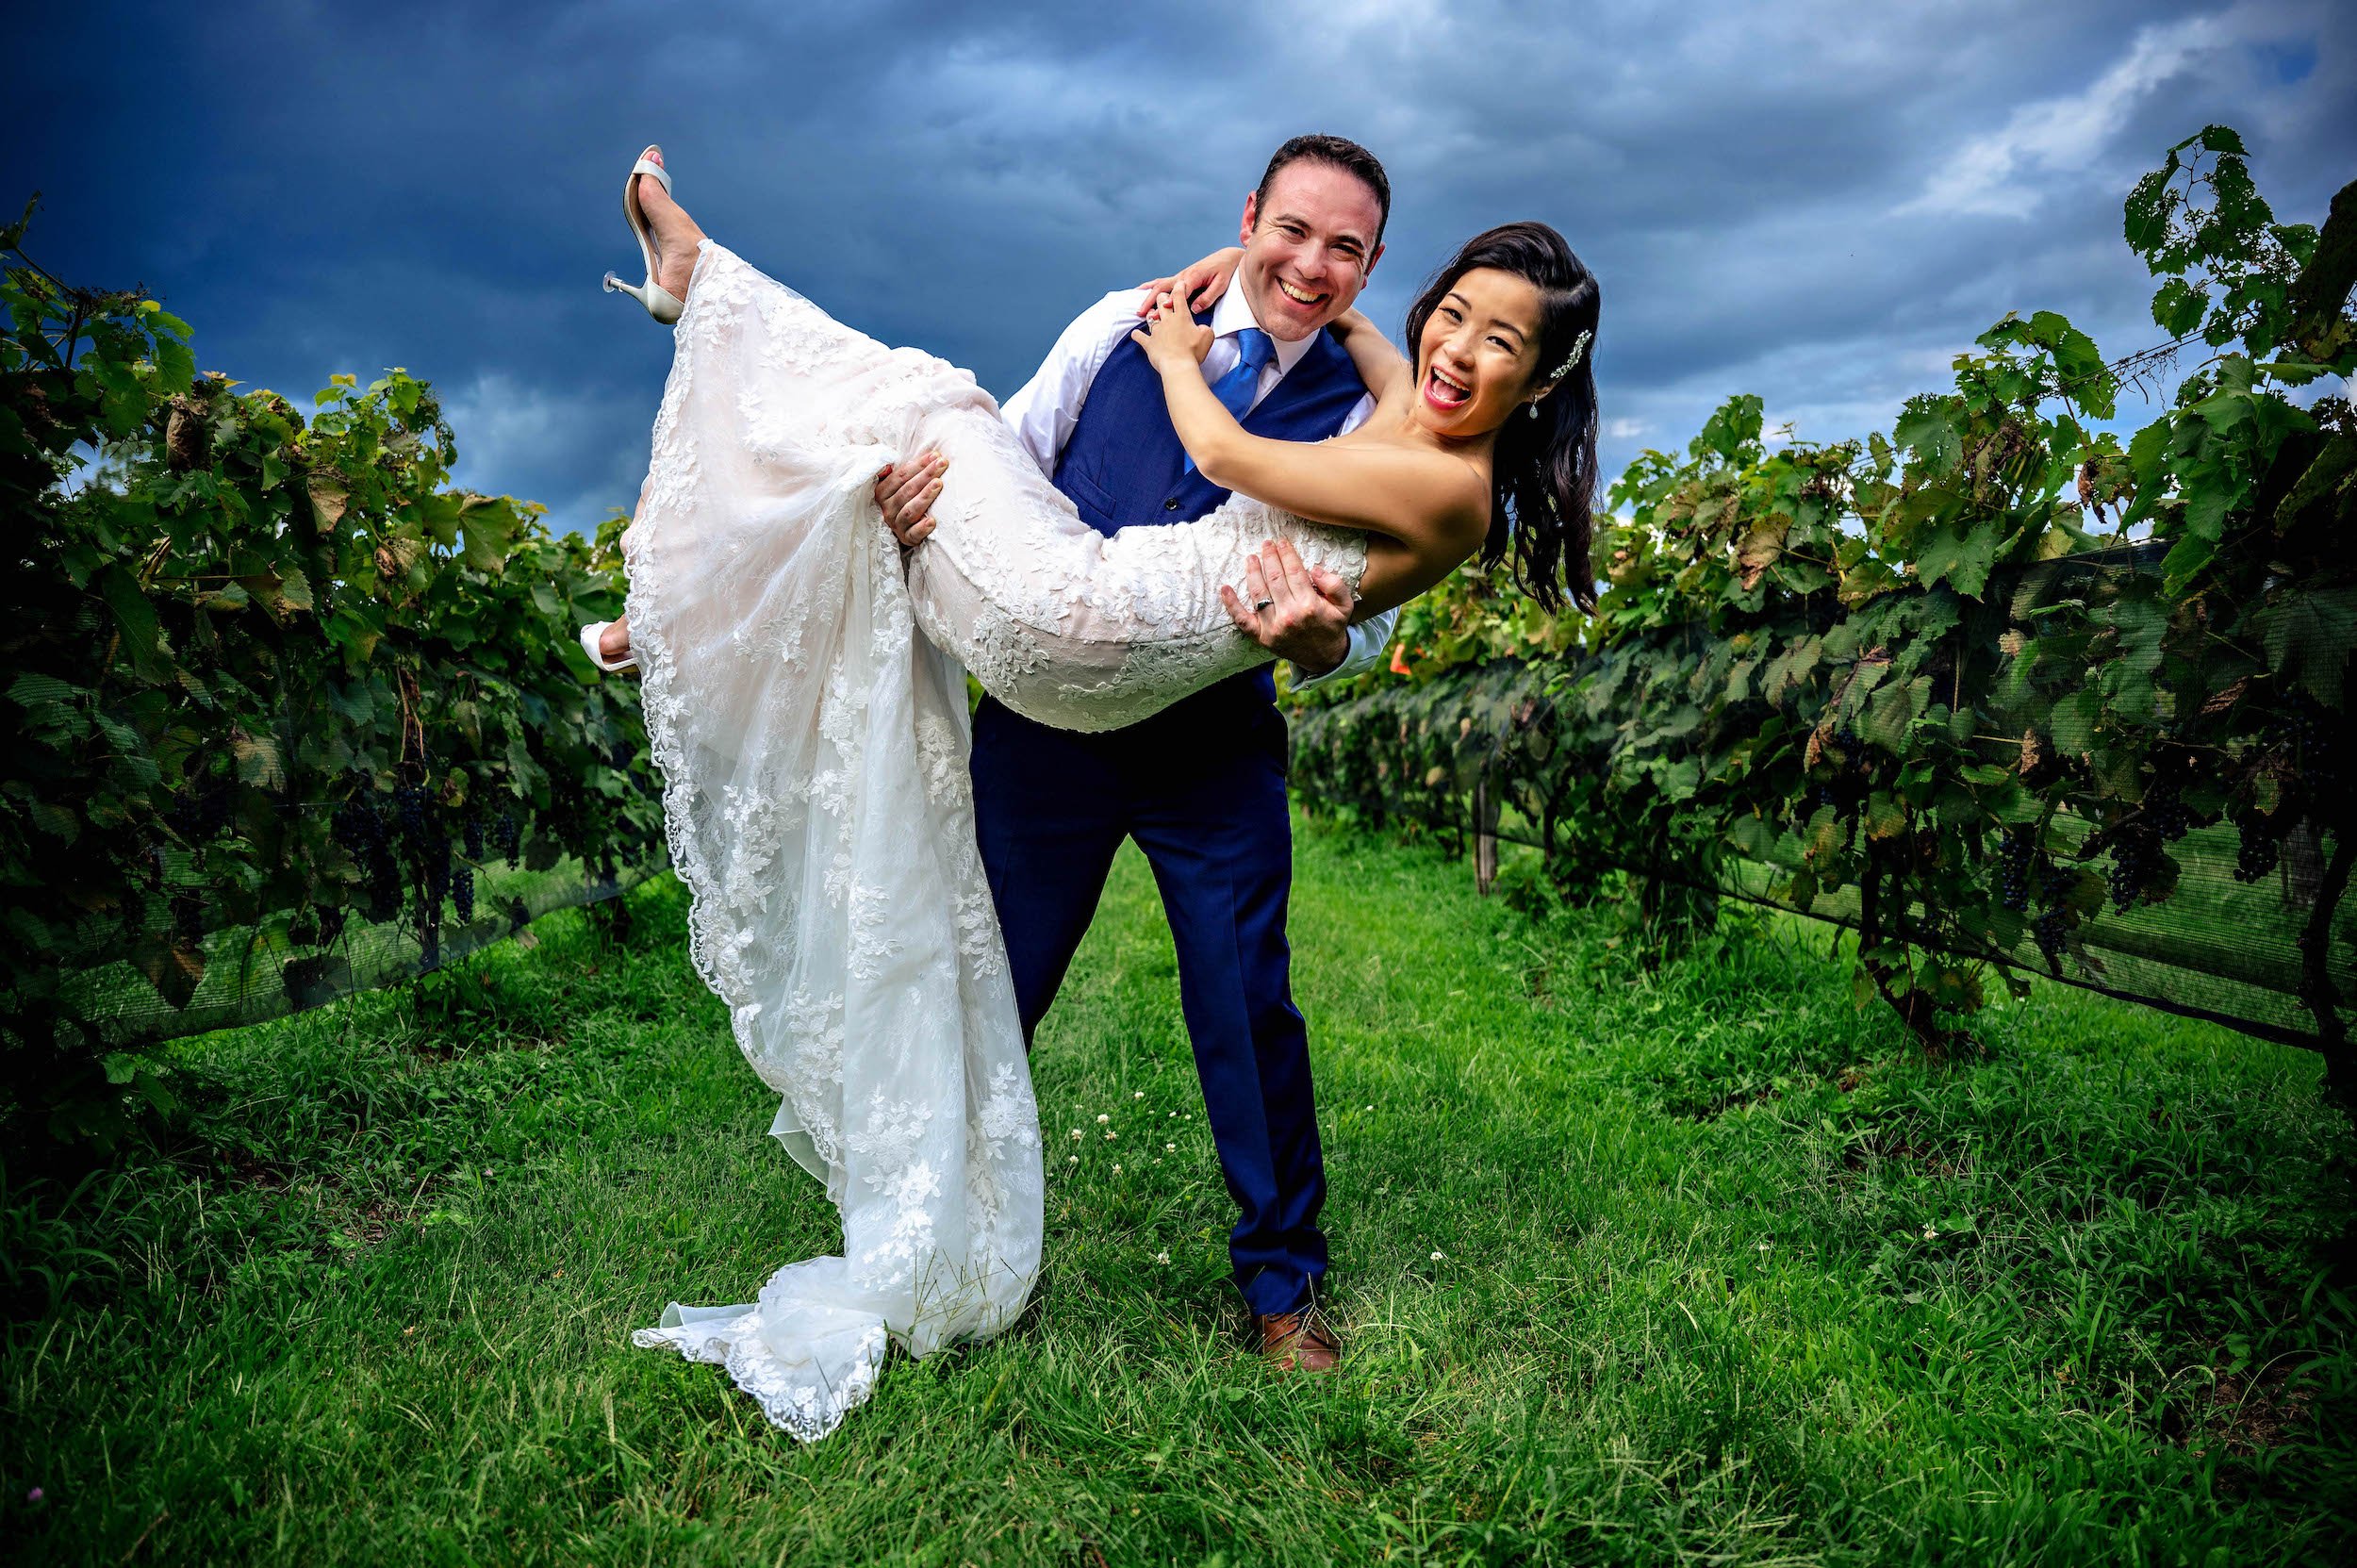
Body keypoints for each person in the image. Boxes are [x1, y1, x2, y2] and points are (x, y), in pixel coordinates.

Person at [591, 141, 1600, 1440]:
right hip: (1047, 726)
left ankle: (1284, 1288)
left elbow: (1348, 608)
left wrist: (1317, 642)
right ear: (1251, 219)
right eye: (1292, 232)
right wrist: (906, 513)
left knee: (1246, 1002)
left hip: (1206, 742)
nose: (1313, 266)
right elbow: (1009, 456)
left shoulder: (1379, 422)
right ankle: (922, 1228)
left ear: (1373, 265)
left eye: (1345, 250)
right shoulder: (1128, 327)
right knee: (983, 977)